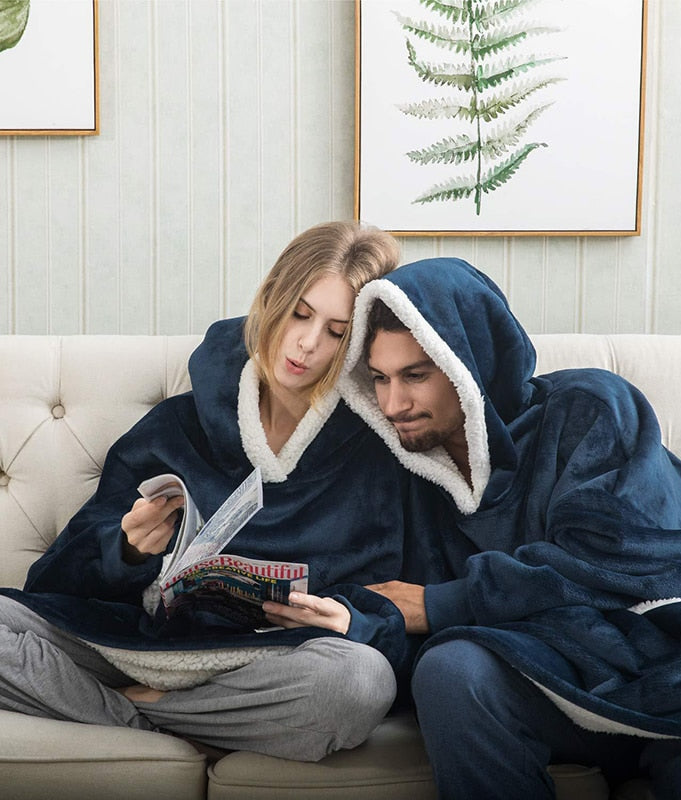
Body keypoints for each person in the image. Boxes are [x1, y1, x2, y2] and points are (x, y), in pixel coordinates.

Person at [337, 257, 681, 799]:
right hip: (553, 681)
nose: (394, 404)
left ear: (471, 362)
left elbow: (616, 558)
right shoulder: (406, 474)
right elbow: (396, 600)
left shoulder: (588, 406)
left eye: (416, 375)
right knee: (452, 668)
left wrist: (447, 602)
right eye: (380, 379)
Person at [0, 220, 410, 761]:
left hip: (272, 664)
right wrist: (123, 551)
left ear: (358, 344)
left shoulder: (375, 454)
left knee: (361, 683)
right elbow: (48, 581)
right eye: (300, 313)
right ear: (272, 300)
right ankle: (153, 715)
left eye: (336, 332)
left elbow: (399, 608)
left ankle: (121, 714)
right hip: (139, 645)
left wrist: (349, 620)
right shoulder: (179, 424)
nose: (307, 344)